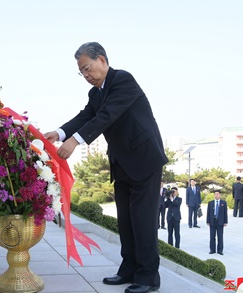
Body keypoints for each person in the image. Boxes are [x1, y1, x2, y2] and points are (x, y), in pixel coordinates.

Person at [44, 42, 168, 293]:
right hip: (121, 162)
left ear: (102, 60)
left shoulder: (123, 80)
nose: (86, 75)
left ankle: (148, 277)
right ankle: (129, 269)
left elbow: (107, 116)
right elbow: (86, 115)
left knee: (142, 220)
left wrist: (75, 140)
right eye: (82, 72)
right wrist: (58, 133)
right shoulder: (95, 93)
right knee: (126, 220)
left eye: (87, 68)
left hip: (144, 160)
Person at [206, 190, 228, 255]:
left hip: (220, 222)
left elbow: (225, 213)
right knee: (212, 236)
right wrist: (208, 221)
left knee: (220, 236)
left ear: (220, 195)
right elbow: (208, 212)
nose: (216, 195)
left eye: (218, 194)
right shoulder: (211, 203)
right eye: (215, 194)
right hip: (212, 221)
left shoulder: (223, 203)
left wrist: (225, 221)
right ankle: (212, 250)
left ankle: (220, 250)